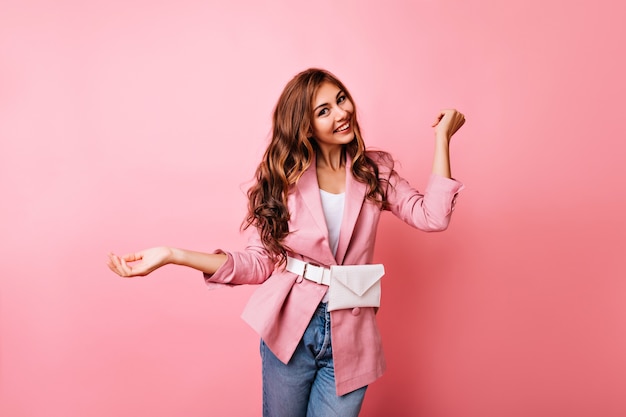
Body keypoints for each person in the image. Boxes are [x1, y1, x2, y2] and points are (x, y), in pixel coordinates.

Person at [107, 68, 465, 417]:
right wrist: (173, 255)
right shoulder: (282, 178)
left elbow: (433, 216)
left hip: (353, 332)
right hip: (292, 326)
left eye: (341, 100)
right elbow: (259, 262)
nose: (342, 113)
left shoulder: (373, 170)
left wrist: (442, 138)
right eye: (324, 111)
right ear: (304, 126)